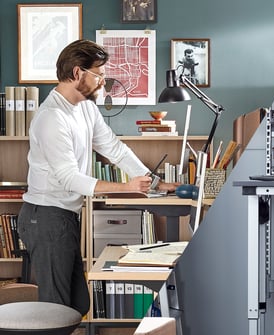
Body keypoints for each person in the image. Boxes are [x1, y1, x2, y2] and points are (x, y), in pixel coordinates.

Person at [17, 39, 178, 316]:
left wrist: (153, 182)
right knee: (56, 309)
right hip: (45, 216)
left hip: (64, 216)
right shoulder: (52, 117)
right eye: (99, 74)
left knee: (77, 304)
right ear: (78, 73)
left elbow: (114, 148)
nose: (104, 81)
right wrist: (126, 187)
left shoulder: (85, 108)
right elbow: (69, 178)